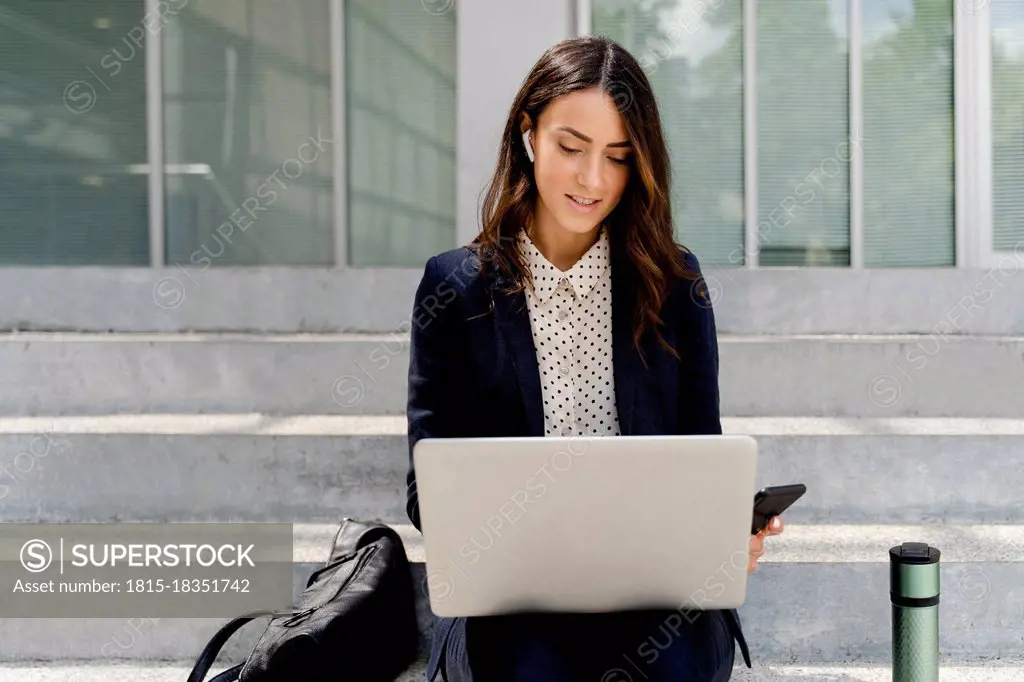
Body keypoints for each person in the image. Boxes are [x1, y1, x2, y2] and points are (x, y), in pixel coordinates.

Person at [405, 35, 784, 682]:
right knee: (531, 667)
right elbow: (426, 487)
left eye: (617, 157)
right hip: (514, 600)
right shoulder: (456, 288)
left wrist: (726, 531)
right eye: (570, 148)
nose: (591, 180)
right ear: (529, 134)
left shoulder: (675, 283)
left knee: (671, 666)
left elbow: (700, 455)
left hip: (656, 594)